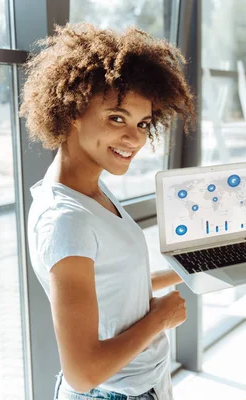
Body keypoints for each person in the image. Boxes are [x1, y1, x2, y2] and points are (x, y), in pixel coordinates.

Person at [22, 23, 196, 399]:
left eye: (142, 124)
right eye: (116, 118)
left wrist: (186, 271)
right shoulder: (67, 221)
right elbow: (83, 373)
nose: (134, 138)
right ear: (72, 111)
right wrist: (160, 319)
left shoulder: (92, 192)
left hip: (139, 385)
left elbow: (109, 290)